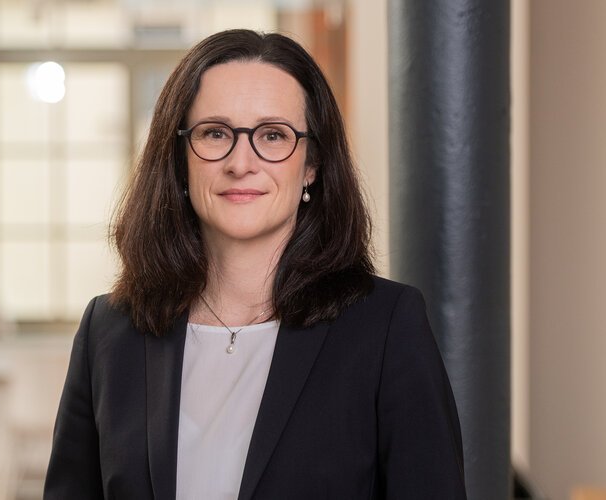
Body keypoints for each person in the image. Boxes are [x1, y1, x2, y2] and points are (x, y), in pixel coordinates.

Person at [44, 29, 466, 499]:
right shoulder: (109, 332)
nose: (240, 162)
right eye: (215, 133)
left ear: (312, 164)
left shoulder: (385, 327)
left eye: (272, 135)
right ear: (179, 159)